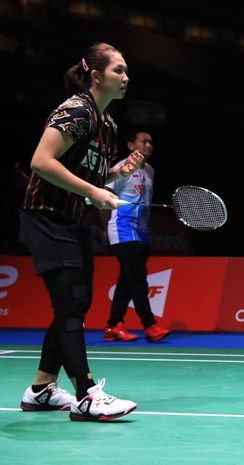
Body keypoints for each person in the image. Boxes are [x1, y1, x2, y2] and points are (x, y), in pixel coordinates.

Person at [19, 42, 138, 421]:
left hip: (75, 221)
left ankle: (40, 389)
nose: (125, 77)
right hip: (48, 218)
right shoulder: (77, 110)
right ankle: (86, 395)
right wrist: (92, 191)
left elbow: (86, 173)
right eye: (118, 70)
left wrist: (113, 176)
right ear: (95, 75)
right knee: (70, 305)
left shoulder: (108, 125)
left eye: (125, 71)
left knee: (75, 305)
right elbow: (41, 161)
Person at [103, 130, 170, 342]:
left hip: (141, 232)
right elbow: (103, 195)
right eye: (144, 141)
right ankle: (149, 325)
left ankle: (113, 325)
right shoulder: (121, 168)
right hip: (123, 230)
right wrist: (106, 221)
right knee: (138, 280)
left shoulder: (150, 171)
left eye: (151, 141)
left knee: (127, 280)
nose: (149, 144)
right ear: (131, 145)